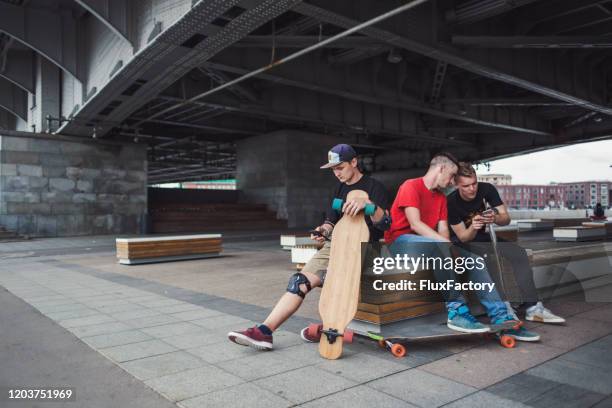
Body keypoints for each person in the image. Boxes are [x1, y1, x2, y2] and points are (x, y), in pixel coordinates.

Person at [228, 144, 391, 350]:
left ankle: (328, 328)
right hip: (335, 246)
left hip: (363, 249)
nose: (337, 173)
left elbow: (385, 223)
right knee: (299, 281)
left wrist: (369, 205)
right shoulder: (338, 189)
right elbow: (331, 221)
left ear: (354, 162)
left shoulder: (375, 187)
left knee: (338, 288)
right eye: (333, 169)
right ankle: (264, 332)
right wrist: (323, 231)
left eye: (340, 167)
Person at [385, 152, 521, 335]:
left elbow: (443, 232)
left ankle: (501, 315)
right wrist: (447, 246)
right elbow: (415, 224)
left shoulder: (441, 198)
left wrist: (452, 250)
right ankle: (457, 311)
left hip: (430, 245)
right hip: (400, 244)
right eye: (451, 176)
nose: (451, 182)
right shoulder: (411, 186)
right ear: (441, 169)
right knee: (439, 247)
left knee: (473, 261)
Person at [447, 162, 566, 332]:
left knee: (518, 253)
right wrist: (474, 224)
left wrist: (494, 217)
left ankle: (533, 307)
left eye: (474, 183)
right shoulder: (451, 202)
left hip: (482, 237)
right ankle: (504, 308)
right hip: (463, 242)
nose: (472, 189)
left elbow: (506, 218)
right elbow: (464, 236)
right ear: (457, 184)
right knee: (487, 259)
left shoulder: (486, 189)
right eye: (466, 186)